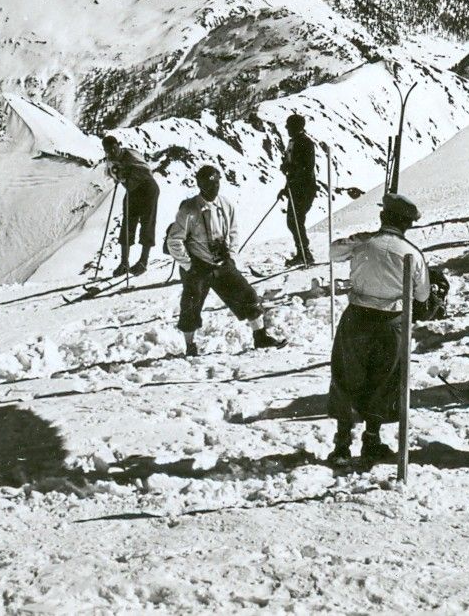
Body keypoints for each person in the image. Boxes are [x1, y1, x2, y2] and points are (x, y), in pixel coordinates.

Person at [325, 193, 430, 466]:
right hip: (391, 323)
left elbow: (333, 251)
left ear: (383, 217)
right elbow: (421, 296)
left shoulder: (364, 244)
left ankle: (342, 443)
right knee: (384, 381)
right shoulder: (411, 253)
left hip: (357, 317)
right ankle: (372, 439)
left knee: (347, 376)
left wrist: (358, 239)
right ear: (407, 224)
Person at [166, 165, 288, 358]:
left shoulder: (225, 205)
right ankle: (190, 346)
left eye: (217, 183)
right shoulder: (189, 210)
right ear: (200, 185)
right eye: (209, 184)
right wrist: (189, 265)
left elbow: (234, 231)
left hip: (222, 264)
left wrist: (231, 255)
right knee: (190, 305)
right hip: (198, 266)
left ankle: (260, 336)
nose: (214, 188)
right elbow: (174, 240)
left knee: (247, 294)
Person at [102, 135, 160, 276]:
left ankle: (143, 262)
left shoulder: (130, 154)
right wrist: (118, 175)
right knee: (127, 224)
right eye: (108, 150)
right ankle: (124, 263)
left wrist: (127, 173)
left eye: (113, 148)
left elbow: (145, 170)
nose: (112, 152)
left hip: (147, 189)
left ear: (118, 145)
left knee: (147, 223)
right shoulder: (111, 160)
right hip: (132, 190)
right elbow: (109, 173)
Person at [280, 113, 317, 267]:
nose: (287, 130)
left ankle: (304, 254)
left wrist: (290, 168)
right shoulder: (294, 142)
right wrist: (286, 188)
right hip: (296, 188)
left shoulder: (305, 143)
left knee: (295, 221)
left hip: (304, 188)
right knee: (294, 221)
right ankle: (303, 253)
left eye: (289, 127)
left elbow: (307, 167)